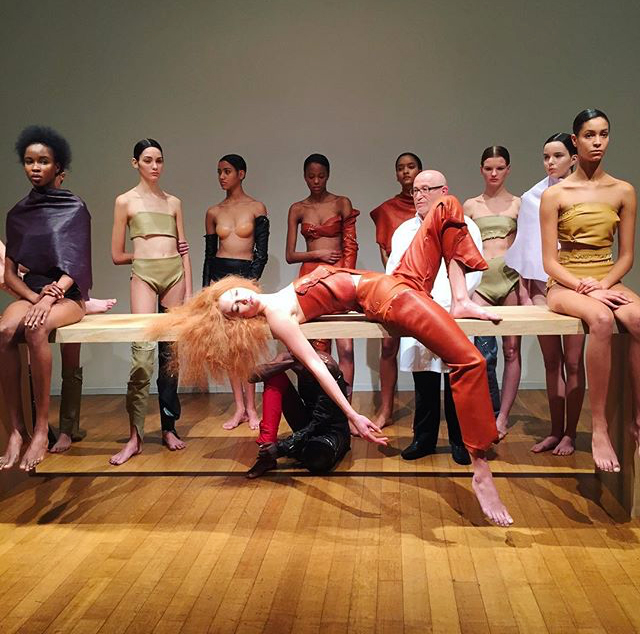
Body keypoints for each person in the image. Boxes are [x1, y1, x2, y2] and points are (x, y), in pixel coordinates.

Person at [153, 183, 514, 527]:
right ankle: (480, 469)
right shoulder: (278, 316)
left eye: (235, 295)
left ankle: (461, 298)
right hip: (388, 299)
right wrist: (352, 413)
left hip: (399, 280)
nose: (241, 301)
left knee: (447, 205)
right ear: (239, 322)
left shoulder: (276, 296)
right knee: (469, 360)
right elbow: (315, 365)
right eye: (236, 309)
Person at [541, 108, 639, 473]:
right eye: (589, 135)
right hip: (566, 282)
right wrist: (585, 288)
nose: (597, 142)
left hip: (606, 278)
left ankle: (637, 418)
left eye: (603, 134)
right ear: (575, 140)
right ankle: (598, 427)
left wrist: (604, 284)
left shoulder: (623, 190)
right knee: (600, 319)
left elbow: (626, 256)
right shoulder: (557, 193)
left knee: (638, 318)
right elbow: (549, 262)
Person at [0, 125, 91, 471]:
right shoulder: (17, 213)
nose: (35, 167)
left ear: (58, 167)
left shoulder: (75, 207)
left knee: (36, 329)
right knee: (5, 331)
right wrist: (34, 296)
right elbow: (10, 274)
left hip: (67, 294)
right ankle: (16, 430)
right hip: (33, 291)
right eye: (29, 161)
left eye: (43, 161)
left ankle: (41, 429)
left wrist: (50, 298)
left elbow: (77, 265)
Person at [387, 170, 482, 465]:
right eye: (416, 190)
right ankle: (424, 438)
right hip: (419, 311)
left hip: (452, 311)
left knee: (456, 379)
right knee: (424, 379)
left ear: (444, 191)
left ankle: (460, 441)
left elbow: (473, 271)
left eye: (427, 189)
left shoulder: (465, 225)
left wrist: (448, 302)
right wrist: (418, 304)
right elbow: (394, 272)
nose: (419, 195)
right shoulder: (404, 231)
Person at [111, 138, 192, 465]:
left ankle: (169, 428)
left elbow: (183, 247)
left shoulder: (174, 202)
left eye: (159, 160)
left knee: (171, 355)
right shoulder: (124, 201)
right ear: (136, 163)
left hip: (175, 275)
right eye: (148, 160)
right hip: (144, 274)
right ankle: (135, 436)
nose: (155, 166)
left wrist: (189, 289)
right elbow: (116, 254)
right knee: (142, 355)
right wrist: (143, 257)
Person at [506, 133, 585, 456]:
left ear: (574, 158)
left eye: (557, 156)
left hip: (578, 286)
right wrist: (526, 293)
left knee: (574, 362)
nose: (550, 162)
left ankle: (571, 433)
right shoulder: (532, 197)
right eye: (546, 157)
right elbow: (526, 249)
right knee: (552, 362)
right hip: (543, 289)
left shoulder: (586, 194)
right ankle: (555, 430)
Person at [203, 154, 269, 431]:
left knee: (247, 345)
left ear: (241, 174)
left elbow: (262, 252)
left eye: (227, 171)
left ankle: (252, 408)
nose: (222, 176)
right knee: (229, 347)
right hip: (220, 279)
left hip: (245, 277)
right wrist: (207, 292)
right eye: (219, 171)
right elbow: (209, 255)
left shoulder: (256, 207)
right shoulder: (213, 211)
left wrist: (250, 284)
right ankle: (239, 407)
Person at [286, 153, 358, 394]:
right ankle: (319, 407)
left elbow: (351, 245)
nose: (316, 181)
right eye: (311, 176)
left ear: (328, 175)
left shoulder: (341, 203)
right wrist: (318, 254)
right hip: (309, 277)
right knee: (315, 347)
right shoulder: (297, 208)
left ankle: (347, 407)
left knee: (346, 347)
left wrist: (347, 276)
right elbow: (290, 255)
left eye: (321, 176)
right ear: (304, 177)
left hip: (337, 276)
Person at [464, 146, 521, 438]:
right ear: (481, 170)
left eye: (500, 168)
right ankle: (486, 412)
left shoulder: (518, 204)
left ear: (508, 169)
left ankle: (503, 417)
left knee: (512, 350)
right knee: (483, 354)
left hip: (510, 279)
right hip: (481, 282)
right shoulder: (471, 206)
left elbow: (525, 248)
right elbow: (462, 249)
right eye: (489, 168)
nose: (494, 173)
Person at [369, 152, 422, 427]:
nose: (406, 172)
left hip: (426, 287)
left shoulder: (432, 209)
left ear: (420, 171)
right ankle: (386, 409)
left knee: (427, 348)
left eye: (411, 167)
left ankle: (426, 416)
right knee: (389, 346)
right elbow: (385, 253)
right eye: (401, 168)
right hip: (395, 285)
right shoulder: (387, 210)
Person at [245, 350, 351, 478]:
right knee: (273, 376)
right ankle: (267, 456)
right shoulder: (290, 359)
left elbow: (321, 420)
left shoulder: (326, 364)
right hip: (307, 422)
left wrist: (283, 447)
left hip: (331, 430)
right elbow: (252, 377)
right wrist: (290, 363)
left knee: (318, 462)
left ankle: (295, 448)